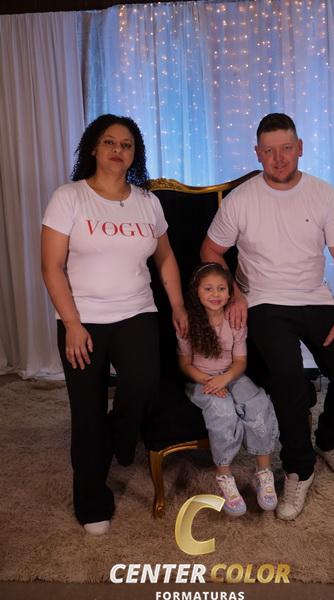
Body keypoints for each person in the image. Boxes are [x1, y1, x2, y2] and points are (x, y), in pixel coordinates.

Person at [200, 113, 334, 521]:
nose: (279, 158)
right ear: (258, 153)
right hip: (263, 302)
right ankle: (298, 469)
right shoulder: (241, 199)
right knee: (288, 377)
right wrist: (236, 292)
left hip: (314, 298)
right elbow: (210, 251)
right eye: (269, 151)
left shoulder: (323, 194)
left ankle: (328, 441)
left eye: (286, 148)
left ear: (300, 148)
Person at [41, 114, 187, 535]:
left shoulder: (147, 202)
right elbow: (51, 267)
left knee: (143, 385)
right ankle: (91, 501)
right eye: (109, 142)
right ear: (93, 147)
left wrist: (177, 305)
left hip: (136, 311)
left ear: (134, 153)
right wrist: (72, 323)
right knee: (86, 411)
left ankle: (117, 439)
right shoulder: (69, 197)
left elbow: (165, 257)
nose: (117, 150)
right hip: (82, 318)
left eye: (126, 144)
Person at [177, 262, 278, 517]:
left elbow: (240, 361)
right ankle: (224, 476)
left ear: (230, 293)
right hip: (201, 380)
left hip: (232, 375)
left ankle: (263, 472)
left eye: (221, 288)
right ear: (197, 291)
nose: (215, 294)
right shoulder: (188, 321)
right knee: (222, 411)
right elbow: (185, 364)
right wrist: (210, 382)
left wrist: (225, 379)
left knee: (257, 402)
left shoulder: (234, 321)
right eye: (208, 289)